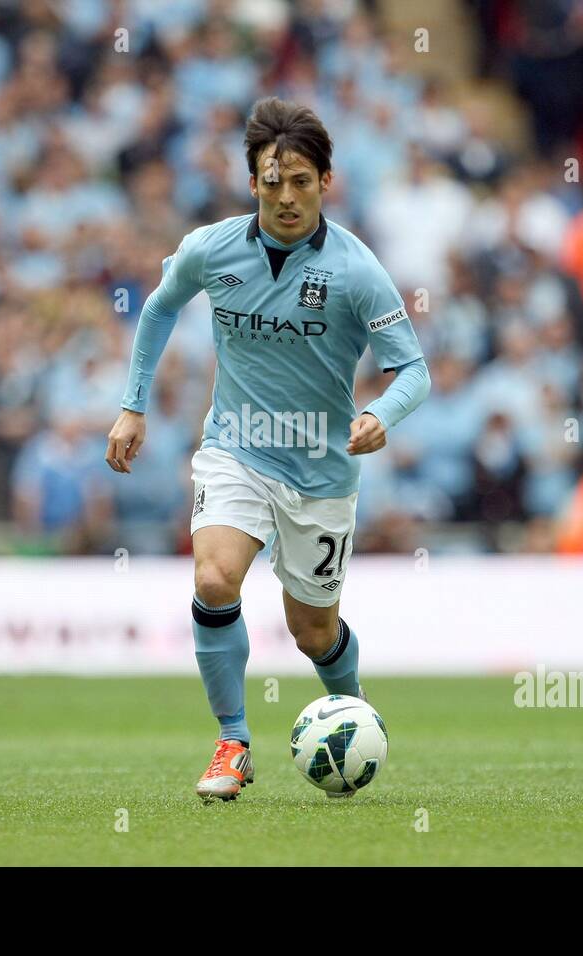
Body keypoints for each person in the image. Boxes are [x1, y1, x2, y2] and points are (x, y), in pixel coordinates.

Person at [106, 97, 430, 802]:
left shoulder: (356, 270)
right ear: (252, 182)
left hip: (321, 471)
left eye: (302, 182)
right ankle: (233, 742)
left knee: (313, 630)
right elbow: (159, 306)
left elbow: (415, 370)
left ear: (326, 183)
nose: (287, 197)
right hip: (237, 448)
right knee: (215, 580)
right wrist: (133, 406)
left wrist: (381, 414)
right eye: (272, 181)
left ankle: (352, 713)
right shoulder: (210, 249)